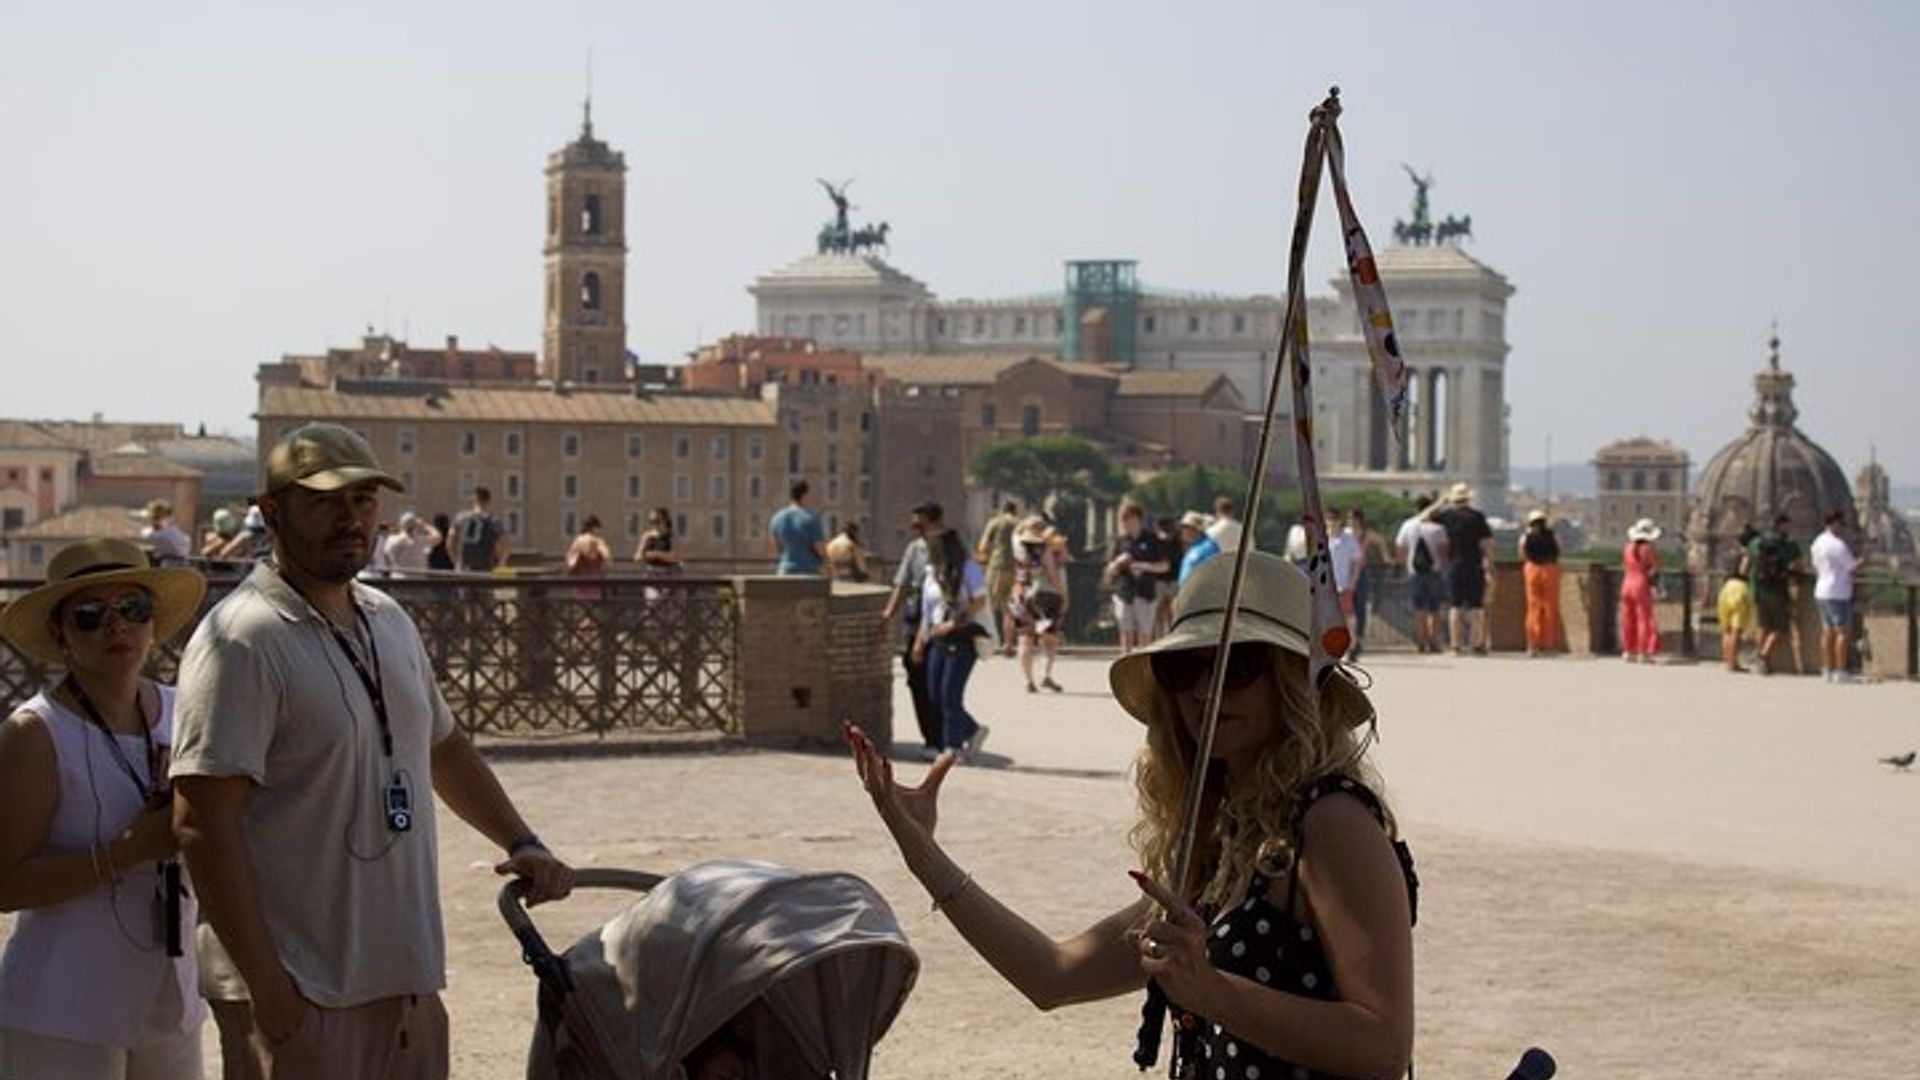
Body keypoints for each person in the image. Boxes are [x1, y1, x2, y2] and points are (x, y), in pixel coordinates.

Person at [844, 551, 1415, 1080]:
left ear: (1292, 681)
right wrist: (922, 853)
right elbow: (1056, 973)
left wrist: (1212, 991)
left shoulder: (1330, 821)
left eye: (1237, 665)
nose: (1204, 690)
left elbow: (1384, 1046)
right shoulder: (1222, 839)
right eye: (1184, 668)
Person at [169, 422, 574, 1079]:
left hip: (405, 978)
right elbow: (199, 825)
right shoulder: (243, 639)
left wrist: (522, 840)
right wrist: (268, 988)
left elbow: (442, 745)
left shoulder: (386, 617)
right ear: (271, 513)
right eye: (325, 502)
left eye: (362, 501)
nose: (350, 519)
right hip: (303, 990)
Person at [0, 538, 209, 1079]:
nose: (116, 627)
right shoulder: (34, 734)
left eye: (132, 610)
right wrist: (131, 848)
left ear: (153, 621)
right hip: (64, 1011)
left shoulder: (185, 711)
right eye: (91, 616)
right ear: (60, 635)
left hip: (172, 1000)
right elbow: (5, 884)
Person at [918, 522, 990, 759]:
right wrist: (921, 639)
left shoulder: (968, 568)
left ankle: (953, 747)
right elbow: (927, 609)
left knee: (950, 694)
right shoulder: (931, 573)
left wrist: (955, 622)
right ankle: (972, 730)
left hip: (961, 637)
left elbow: (979, 600)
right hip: (936, 637)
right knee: (935, 694)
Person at [881, 503, 944, 761]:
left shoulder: (946, 547)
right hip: (915, 615)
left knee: (937, 681)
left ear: (933, 521)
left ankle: (946, 736)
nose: (915, 526)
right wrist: (888, 615)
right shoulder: (914, 549)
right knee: (916, 678)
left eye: (920, 521)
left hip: (939, 615)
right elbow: (902, 584)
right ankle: (932, 738)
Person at [1431, 483, 1493, 655]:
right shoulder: (1478, 517)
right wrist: (1489, 565)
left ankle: (1455, 645)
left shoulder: (1448, 516)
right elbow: (1486, 543)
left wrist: (1440, 502)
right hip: (1474, 564)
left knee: (1455, 606)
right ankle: (1476, 643)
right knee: (1476, 607)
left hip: (1454, 565)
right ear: (1468, 499)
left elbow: (1424, 517)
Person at [1010, 515, 1066, 694]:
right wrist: (1062, 593)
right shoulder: (1043, 547)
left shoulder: (1016, 543)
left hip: (1021, 594)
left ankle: (1028, 680)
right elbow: (1051, 573)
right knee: (1049, 638)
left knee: (1025, 639)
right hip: (1044, 595)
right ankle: (1045, 675)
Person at [1105, 503, 1169, 654]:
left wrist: (1144, 566)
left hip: (1145, 593)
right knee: (1126, 632)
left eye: (1127, 519)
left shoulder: (1152, 539)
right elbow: (1109, 570)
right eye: (1122, 519)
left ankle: (1141, 666)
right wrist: (1117, 562)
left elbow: (1165, 566)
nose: (1124, 523)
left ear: (1137, 519)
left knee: (1145, 632)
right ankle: (1124, 662)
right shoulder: (1119, 541)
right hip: (1124, 592)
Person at [1809, 509, 1862, 683]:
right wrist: (1863, 560)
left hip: (1821, 590)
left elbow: (1815, 565)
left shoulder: (1817, 542)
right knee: (1842, 633)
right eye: (1841, 525)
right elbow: (1851, 566)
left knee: (1827, 632)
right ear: (1835, 524)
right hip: (1838, 592)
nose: (1843, 529)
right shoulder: (1838, 545)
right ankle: (1841, 671)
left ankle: (1826, 670)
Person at [1748, 513, 1803, 675]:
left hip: (1760, 588)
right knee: (1780, 627)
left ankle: (1759, 654)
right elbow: (1800, 565)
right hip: (1778, 589)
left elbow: (1750, 561)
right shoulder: (1789, 544)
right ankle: (1764, 655)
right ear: (1783, 525)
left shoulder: (1756, 542)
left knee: (1763, 625)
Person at [1394, 496, 1449, 654]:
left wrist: (1402, 565)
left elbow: (1400, 549)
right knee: (1434, 609)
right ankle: (1434, 641)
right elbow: (1444, 552)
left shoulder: (1407, 526)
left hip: (1414, 572)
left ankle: (1420, 641)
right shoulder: (1438, 528)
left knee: (1418, 609)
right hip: (1434, 571)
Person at [976, 500, 1021, 655]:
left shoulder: (995, 522)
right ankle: (1008, 644)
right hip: (1015, 567)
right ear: (1015, 510)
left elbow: (983, 545)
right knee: (1008, 608)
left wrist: (982, 560)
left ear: (1002, 510)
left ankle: (989, 643)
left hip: (997, 565)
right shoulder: (1020, 523)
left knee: (988, 604)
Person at [1519, 509, 1563, 657]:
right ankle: (1549, 645)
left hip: (1532, 569)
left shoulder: (1526, 536)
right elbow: (1558, 550)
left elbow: (1522, 554)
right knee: (1550, 607)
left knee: (1533, 607)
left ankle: (1533, 645)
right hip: (1550, 568)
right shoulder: (1552, 535)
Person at [1619, 518, 1662, 663]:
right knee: (1644, 619)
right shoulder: (1648, 549)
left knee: (1627, 618)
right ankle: (1644, 651)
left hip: (1626, 583)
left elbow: (1624, 565)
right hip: (1641, 584)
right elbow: (1655, 569)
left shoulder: (1627, 548)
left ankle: (1628, 650)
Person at [1718, 525, 1758, 673]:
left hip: (1726, 587)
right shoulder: (1747, 554)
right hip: (1740, 588)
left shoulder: (1730, 552)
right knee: (1736, 630)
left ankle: (1727, 661)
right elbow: (1743, 570)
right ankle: (1733, 663)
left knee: (1726, 630)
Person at [769, 480, 826, 576]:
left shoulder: (776, 518)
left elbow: (776, 547)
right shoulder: (811, 518)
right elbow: (820, 549)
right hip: (808, 571)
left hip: (785, 570)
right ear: (804, 496)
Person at [1326, 508, 1361, 658]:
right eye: (1330, 519)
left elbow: (1356, 562)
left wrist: (1352, 582)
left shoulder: (1349, 539)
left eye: (1335, 519)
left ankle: (1351, 646)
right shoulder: (1322, 539)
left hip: (1343, 585)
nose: (1332, 523)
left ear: (1339, 521)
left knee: (1348, 618)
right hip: (1326, 586)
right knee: (1327, 619)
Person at [453, 487, 508, 572]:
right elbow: (506, 544)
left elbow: (450, 542)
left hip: (465, 566)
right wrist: (501, 563)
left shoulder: (460, 518)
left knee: (464, 585)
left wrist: (456, 561)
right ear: (488, 502)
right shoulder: (494, 520)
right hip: (486, 566)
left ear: (473, 500)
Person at [563, 515, 611, 601]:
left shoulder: (578, 540)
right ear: (594, 527)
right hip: (595, 577)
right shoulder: (598, 541)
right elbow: (607, 558)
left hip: (581, 576)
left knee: (582, 602)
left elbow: (571, 560)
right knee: (593, 604)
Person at [1152, 515, 1184, 640]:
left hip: (1172, 579)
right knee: (1158, 612)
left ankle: (1170, 636)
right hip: (1160, 580)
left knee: (1171, 612)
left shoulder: (1176, 541)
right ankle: (1159, 637)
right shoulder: (1156, 541)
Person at [383, 512, 441, 577]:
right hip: (417, 580)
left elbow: (386, 558)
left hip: (398, 577)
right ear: (415, 525)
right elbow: (437, 536)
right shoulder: (420, 540)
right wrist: (424, 525)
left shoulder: (391, 540)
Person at [141, 500, 193, 565]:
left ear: (168, 517)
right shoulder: (145, 533)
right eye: (153, 517)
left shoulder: (176, 536)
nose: (155, 521)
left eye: (158, 517)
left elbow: (182, 552)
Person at [634, 507, 681, 577]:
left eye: (657, 521)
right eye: (651, 522)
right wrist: (645, 555)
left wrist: (656, 554)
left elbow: (677, 557)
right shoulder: (646, 536)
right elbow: (637, 557)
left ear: (665, 521)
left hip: (668, 573)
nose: (654, 525)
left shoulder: (672, 537)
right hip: (650, 573)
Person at [1175, 511, 1219, 586]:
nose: (1183, 531)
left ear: (1198, 529)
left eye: (1186, 527)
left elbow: (1213, 573)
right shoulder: (1193, 547)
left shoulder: (1209, 547)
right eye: (1183, 527)